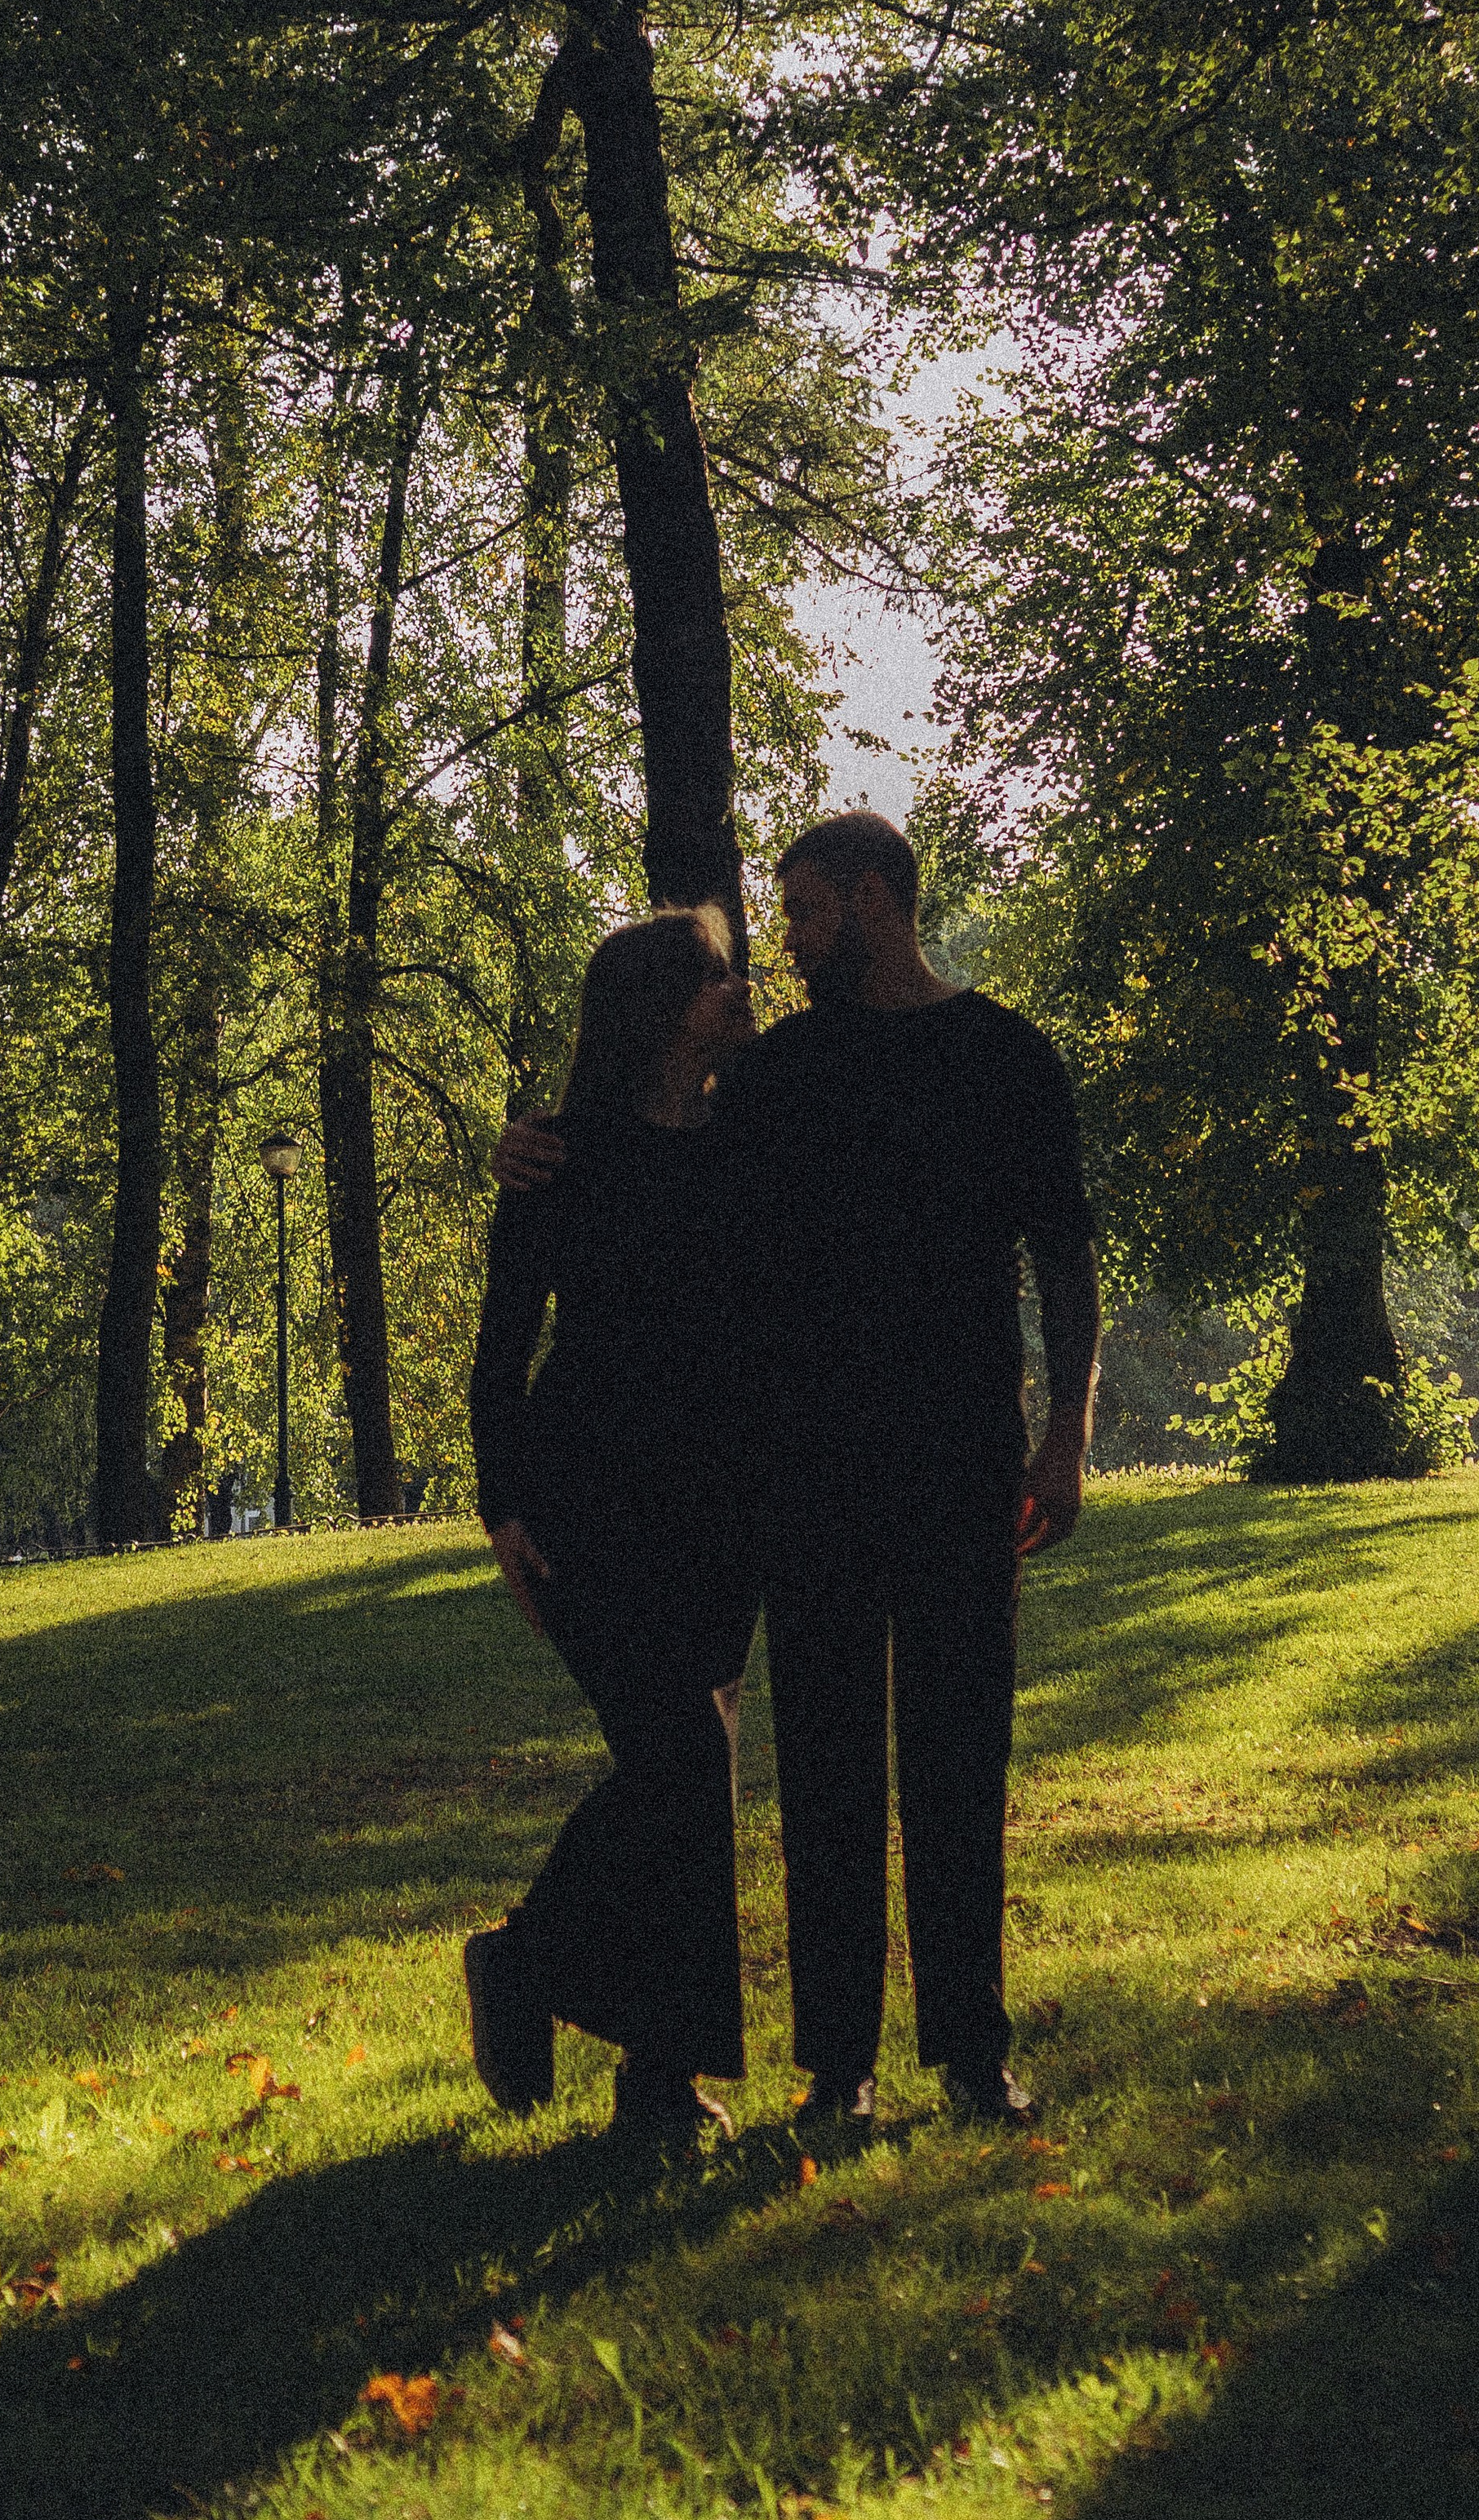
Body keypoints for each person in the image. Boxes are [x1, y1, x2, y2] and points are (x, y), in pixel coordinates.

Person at [495, 809, 1099, 2130]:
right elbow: (643, 1158)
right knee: (827, 1774)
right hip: (804, 1478)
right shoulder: (774, 1080)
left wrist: (1068, 1431)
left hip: (960, 1469)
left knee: (958, 1762)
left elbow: (1065, 1253)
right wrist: (535, 1150)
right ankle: (839, 2070)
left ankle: (972, 2050)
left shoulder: (1003, 1058)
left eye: (808, 911)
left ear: (876, 900)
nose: (788, 942)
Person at [464, 905, 760, 2145]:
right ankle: (531, 1964)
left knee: (685, 1779)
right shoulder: (558, 1157)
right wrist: (505, 1510)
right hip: (589, 1501)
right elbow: (498, 1355)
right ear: (653, 1005)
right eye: (711, 979)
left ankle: (655, 2084)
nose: (736, 990)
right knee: (684, 1763)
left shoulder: (749, 1139)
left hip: (720, 1507)